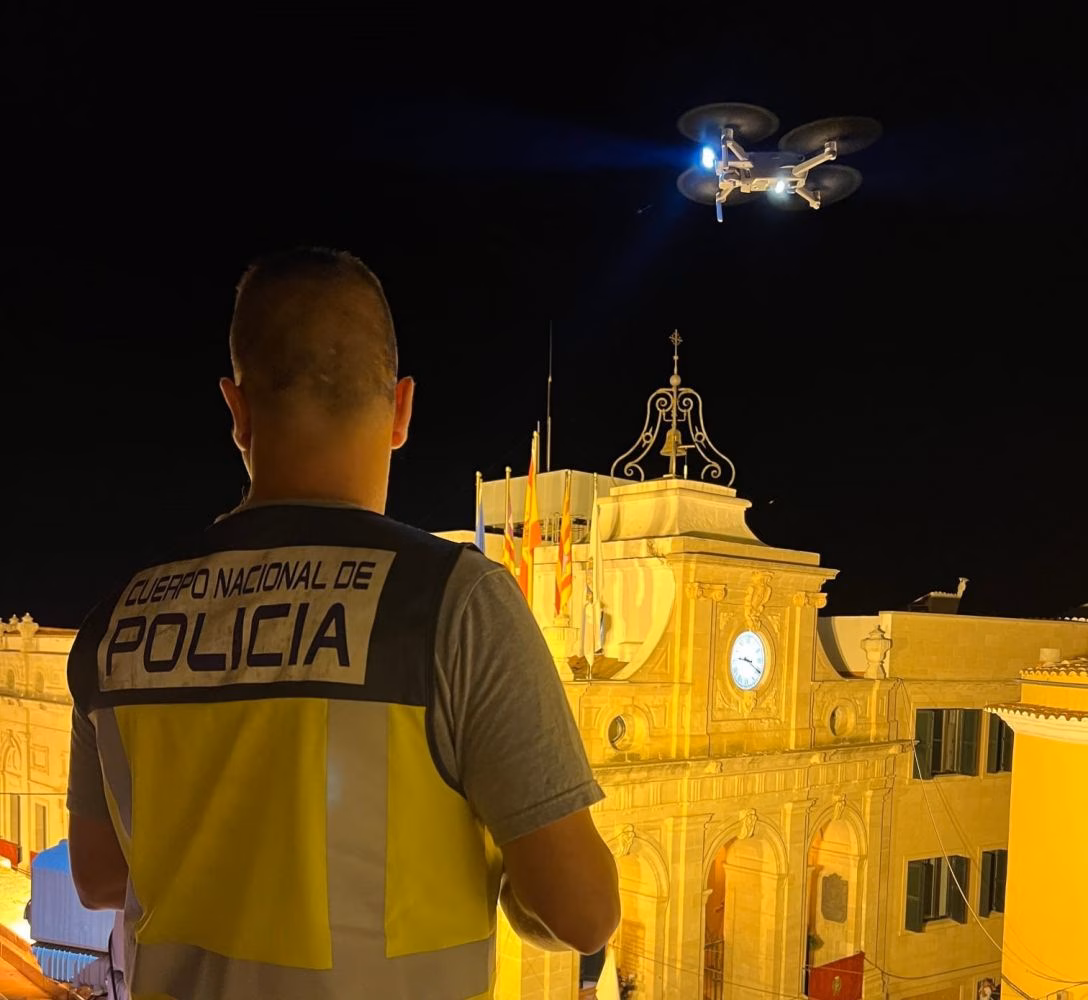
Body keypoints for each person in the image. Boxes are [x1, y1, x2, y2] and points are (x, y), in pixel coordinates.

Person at [65, 247, 621, 998]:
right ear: (401, 409)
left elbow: (99, 877)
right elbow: (582, 914)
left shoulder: (115, 620)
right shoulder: (453, 603)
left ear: (237, 412)